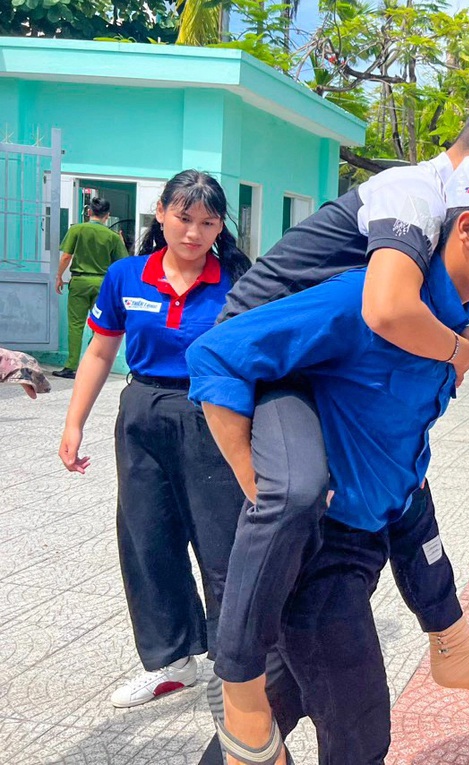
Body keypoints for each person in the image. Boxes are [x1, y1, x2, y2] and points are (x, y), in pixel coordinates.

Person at [205, 88, 469, 759]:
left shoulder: (446, 301)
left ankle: (450, 636)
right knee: (356, 724)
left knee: (407, 483)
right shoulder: (412, 200)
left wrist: (457, 341)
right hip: (268, 391)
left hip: (343, 486)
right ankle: (238, 682)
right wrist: (257, 483)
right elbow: (383, 310)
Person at [57, 171, 251, 708]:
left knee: (223, 540)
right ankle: (173, 661)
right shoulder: (126, 276)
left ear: (219, 227)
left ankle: (231, 662)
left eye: (207, 222)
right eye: (184, 218)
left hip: (212, 412)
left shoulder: (238, 278)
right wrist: (74, 423)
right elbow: (99, 351)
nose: (193, 232)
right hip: (141, 411)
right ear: (161, 212)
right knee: (147, 538)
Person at [53, 197, 129, 378]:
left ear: (89, 212)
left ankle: (71, 366)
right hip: (103, 284)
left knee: (76, 325)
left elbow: (65, 257)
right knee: (99, 326)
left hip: (79, 282)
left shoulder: (77, 229)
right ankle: (91, 363)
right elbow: (123, 263)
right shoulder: (112, 236)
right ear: (107, 215)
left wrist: (59, 276)